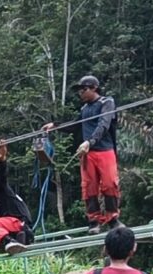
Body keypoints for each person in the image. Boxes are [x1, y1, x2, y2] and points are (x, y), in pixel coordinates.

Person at [42, 75, 121, 234]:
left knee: (110, 183)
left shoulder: (106, 102)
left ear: (94, 88)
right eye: (79, 90)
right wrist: (55, 125)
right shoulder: (84, 109)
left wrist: (90, 142)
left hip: (104, 150)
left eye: (83, 89)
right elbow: (75, 125)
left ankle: (112, 219)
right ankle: (94, 220)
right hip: (88, 153)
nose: (81, 93)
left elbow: (104, 124)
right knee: (89, 187)